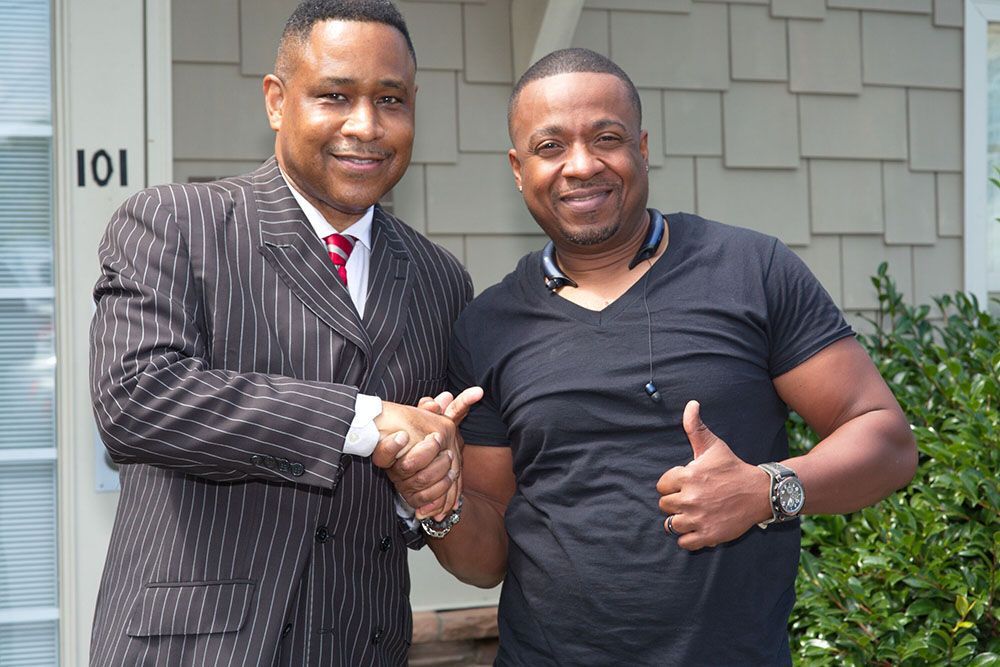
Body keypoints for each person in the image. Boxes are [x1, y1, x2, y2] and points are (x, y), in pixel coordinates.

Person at [414, 48, 918, 665]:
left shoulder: (750, 271)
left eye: (607, 138)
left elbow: (887, 442)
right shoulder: (487, 325)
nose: (582, 165)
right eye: (550, 147)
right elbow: (487, 559)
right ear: (519, 169)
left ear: (643, 148)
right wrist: (438, 499)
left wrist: (766, 490)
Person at [88, 1, 478, 664]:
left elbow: (413, 473)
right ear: (276, 100)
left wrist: (425, 486)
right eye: (335, 96)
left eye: (390, 99)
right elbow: (136, 399)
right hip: (198, 648)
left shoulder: (439, 279)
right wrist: (364, 421)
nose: (366, 125)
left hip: (361, 644)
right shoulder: (175, 223)